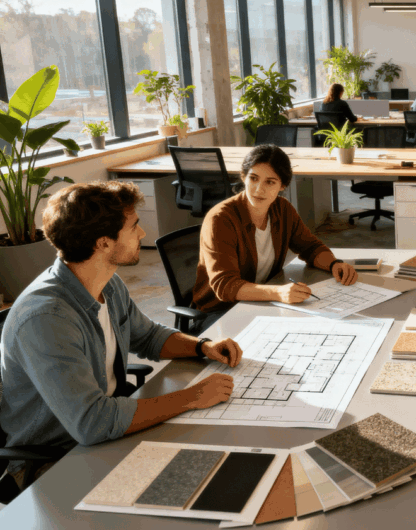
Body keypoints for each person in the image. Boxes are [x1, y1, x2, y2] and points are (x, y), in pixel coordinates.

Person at [0, 182, 243, 490]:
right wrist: (192, 397)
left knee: (212, 461)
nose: (142, 234)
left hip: (107, 434)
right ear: (103, 243)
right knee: (186, 488)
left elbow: (149, 336)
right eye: (134, 227)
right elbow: (92, 422)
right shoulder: (46, 318)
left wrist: (202, 346)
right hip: (55, 460)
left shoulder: (107, 284)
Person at [192, 145, 359, 326]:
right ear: (243, 177)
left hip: (262, 302)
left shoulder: (282, 209)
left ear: (283, 185)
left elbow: (310, 247)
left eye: (270, 182)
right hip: (221, 312)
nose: (258, 189)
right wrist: (277, 293)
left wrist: (334, 264)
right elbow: (225, 287)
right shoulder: (221, 219)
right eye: (253, 178)